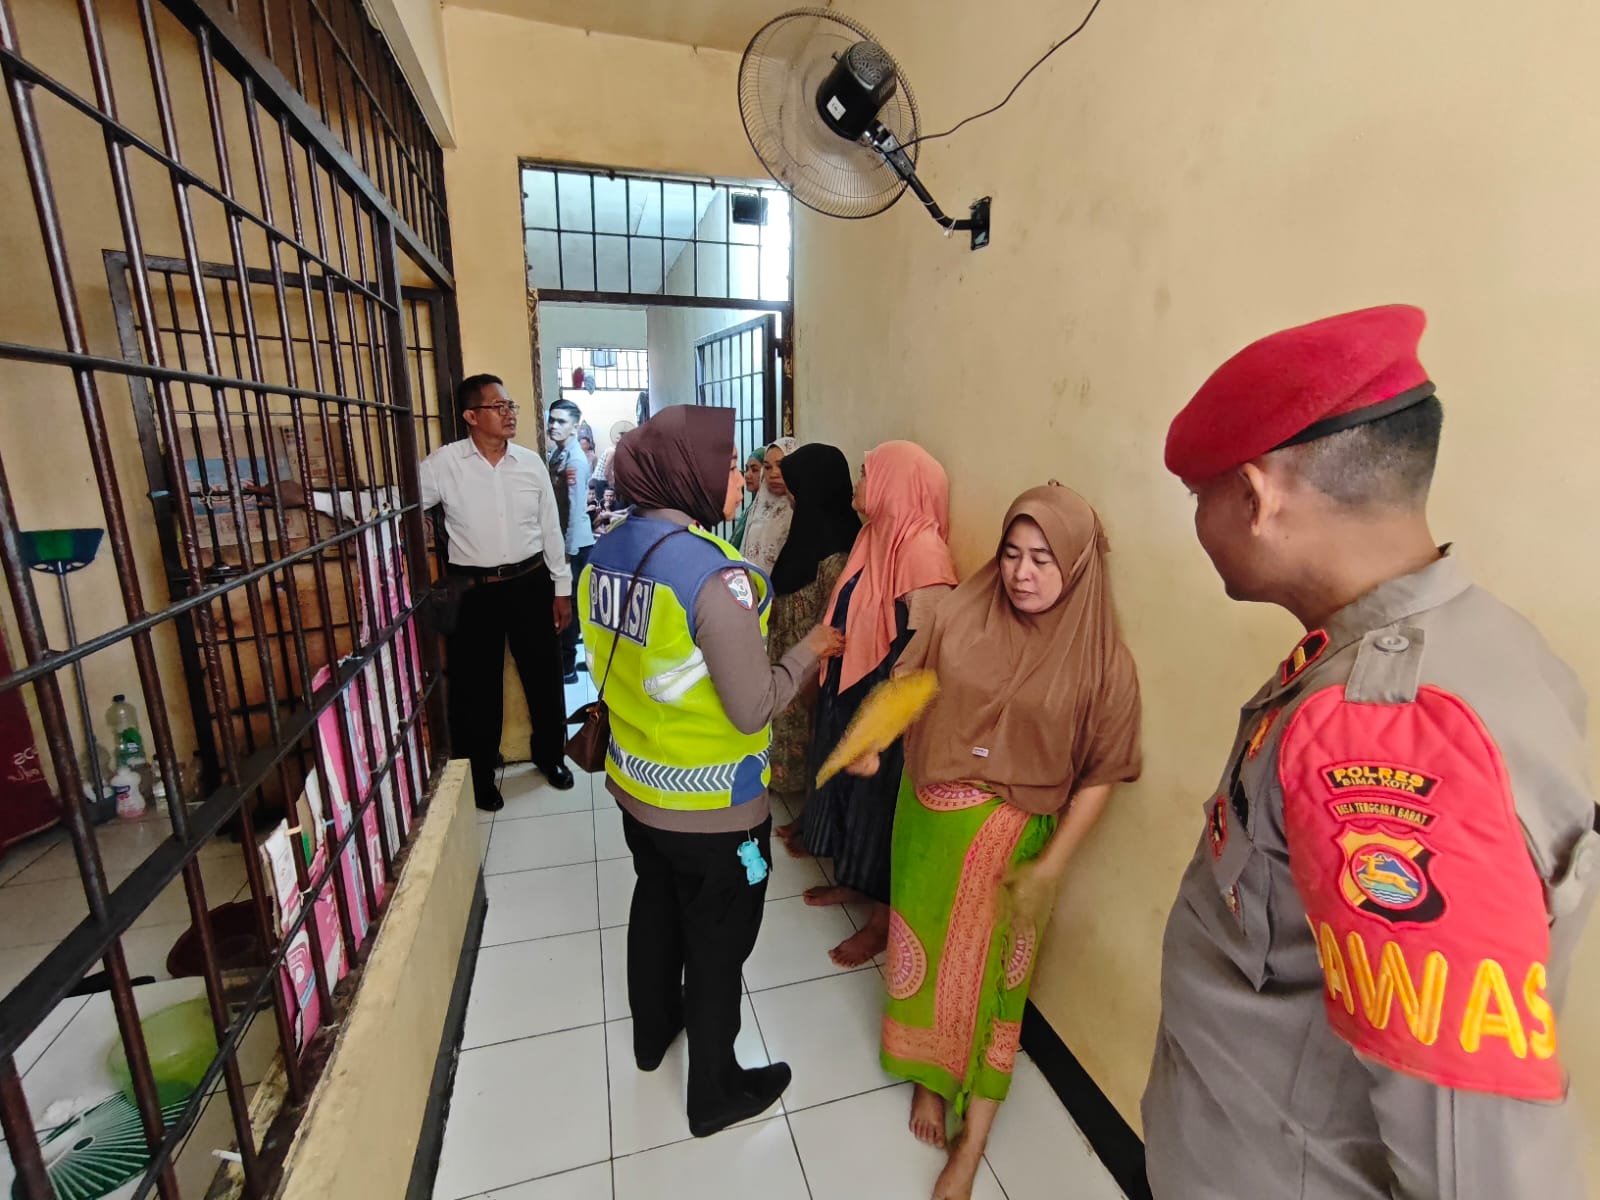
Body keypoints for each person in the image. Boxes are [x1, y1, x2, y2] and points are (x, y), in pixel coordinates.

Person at [1142, 305, 1598, 1199]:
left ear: (1255, 498)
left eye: (1201, 498)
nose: (1200, 521)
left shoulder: (1387, 732)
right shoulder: (1480, 643)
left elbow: (1479, 1162)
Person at [848, 483, 1142, 1199]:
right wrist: (873, 738)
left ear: (1077, 564)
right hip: (927, 825)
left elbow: (1103, 775)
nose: (1021, 573)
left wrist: (1052, 868)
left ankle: (973, 1138)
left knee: (996, 989)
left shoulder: (1101, 662)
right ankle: (928, 1077)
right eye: (1012, 553)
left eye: (1043, 559)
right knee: (923, 961)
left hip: (1014, 848)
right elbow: (910, 682)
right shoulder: (961, 613)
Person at [579, 405, 845, 1138]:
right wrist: (812, 650)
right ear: (687, 473)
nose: (741, 477)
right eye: (728, 464)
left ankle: (652, 1033)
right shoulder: (716, 577)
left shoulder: (606, 552)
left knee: (656, 904)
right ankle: (716, 1092)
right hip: (713, 808)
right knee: (719, 940)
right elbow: (754, 707)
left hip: (637, 787)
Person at [798, 441, 958, 965]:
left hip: (886, 695)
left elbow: (927, 641)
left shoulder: (923, 550)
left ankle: (882, 920)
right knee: (850, 791)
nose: (859, 483)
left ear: (896, 483)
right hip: (851, 682)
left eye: (868, 473)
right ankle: (853, 880)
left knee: (879, 806)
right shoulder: (875, 535)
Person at [420, 373, 576, 811]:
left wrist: (561, 590)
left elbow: (551, 530)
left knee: (544, 676)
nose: (509, 414)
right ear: (471, 416)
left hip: (531, 583)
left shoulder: (530, 463)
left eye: (511, 406)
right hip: (475, 591)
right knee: (476, 687)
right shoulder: (446, 464)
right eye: (498, 406)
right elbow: (398, 501)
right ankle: (482, 773)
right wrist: (321, 500)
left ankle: (551, 756)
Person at [765, 444, 861, 808]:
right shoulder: (804, 538)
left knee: (809, 743)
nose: (790, 498)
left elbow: (832, 623)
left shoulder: (838, 555)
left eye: (795, 491)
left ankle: (805, 811)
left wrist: (811, 675)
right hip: (787, 662)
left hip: (808, 673)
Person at [548, 398, 596, 683]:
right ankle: (575, 659)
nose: (554, 426)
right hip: (570, 541)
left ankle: (567, 666)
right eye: (552, 420)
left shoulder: (574, 460)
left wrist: (566, 551)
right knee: (574, 602)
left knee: (570, 603)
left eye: (561, 421)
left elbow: (574, 510)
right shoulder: (559, 454)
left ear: (575, 427)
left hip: (575, 544)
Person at [737, 437, 798, 574]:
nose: (773, 474)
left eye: (781, 466)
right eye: (768, 467)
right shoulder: (758, 509)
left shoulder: (800, 511)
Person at [729, 448, 766, 550]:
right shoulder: (752, 508)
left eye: (754, 470)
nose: (747, 475)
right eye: (746, 469)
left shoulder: (769, 512)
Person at [595, 419, 636, 486]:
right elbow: (606, 471)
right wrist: (611, 481)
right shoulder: (612, 451)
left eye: (618, 438)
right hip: (600, 480)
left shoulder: (617, 451)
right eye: (617, 438)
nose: (616, 440)